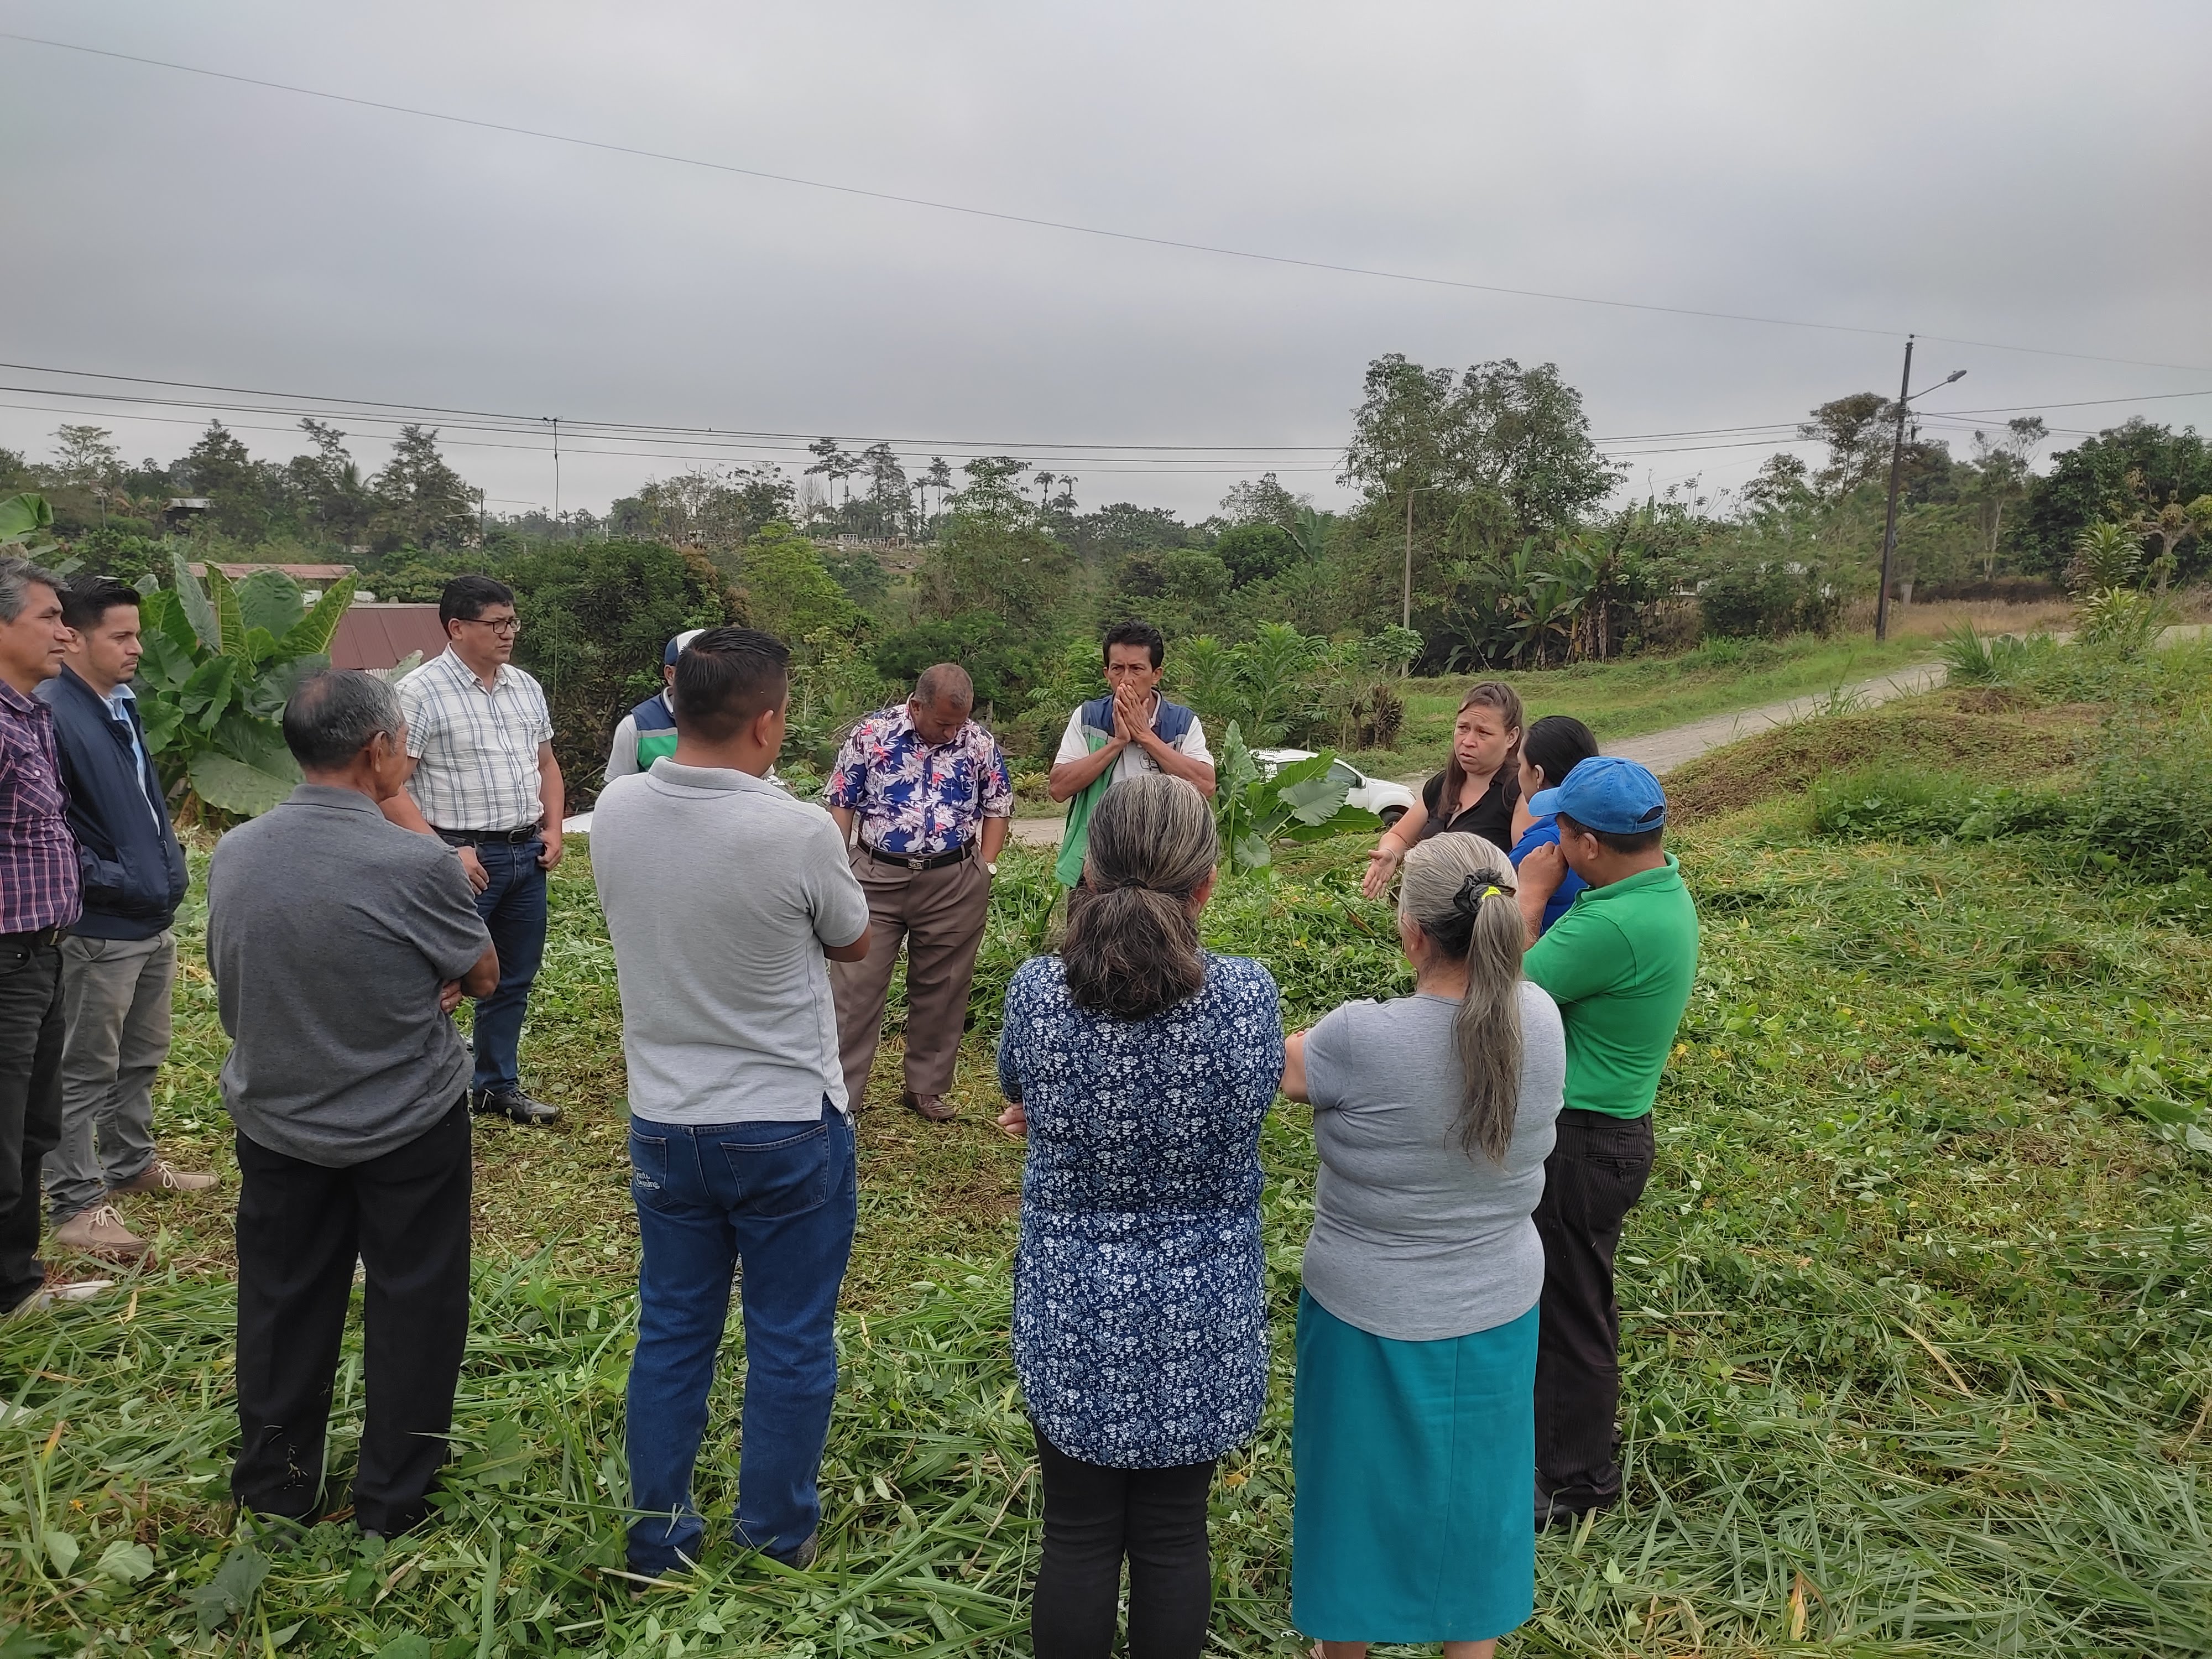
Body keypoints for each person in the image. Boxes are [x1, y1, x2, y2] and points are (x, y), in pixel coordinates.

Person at [592, 628, 873, 1576]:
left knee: (673, 1330)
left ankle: (657, 1539)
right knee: (789, 1338)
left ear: (673, 706)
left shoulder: (619, 809)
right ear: (767, 723)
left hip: (665, 1123)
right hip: (784, 1122)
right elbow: (852, 940)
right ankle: (775, 1536)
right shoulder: (797, 829)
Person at [206, 669, 499, 1535]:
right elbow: (484, 974)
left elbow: (239, 966)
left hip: (277, 1115)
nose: (407, 756)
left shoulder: (237, 851)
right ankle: (394, 1500)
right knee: (415, 1299)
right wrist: (432, 976)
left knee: (282, 1299)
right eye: (404, 742)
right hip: (405, 1120)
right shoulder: (416, 861)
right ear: (377, 751)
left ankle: (276, 1487)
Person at [996, 774, 1281, 1659]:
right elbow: (1255, 1096)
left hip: (1071, 1304)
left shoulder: (1037, 992)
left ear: (1087, 872)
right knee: (1173, 1536)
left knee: (1077, 1537)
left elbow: (1018, 1085)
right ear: (1207, 885)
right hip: (1204, 1310)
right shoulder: (1249, 996)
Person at [1280, 834, 1565, 1659]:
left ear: (1411, 933)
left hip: (1364, 1314)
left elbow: (1270, 1065)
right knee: (1479, 1504)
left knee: (1353, 1505)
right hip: (1498, 1308)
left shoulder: (1357, 1038)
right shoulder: (1543, 1021)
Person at [1512, 757, 1699, 1528]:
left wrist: (1527, 896)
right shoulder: (1661, 891)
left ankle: (1575, 1482)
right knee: (1577, 1301)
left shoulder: (1610, 925)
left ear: (1588, 844)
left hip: (1583, 1141)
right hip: (1612, 1132)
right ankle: (1562, 1452)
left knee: (1569, 1313)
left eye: (1560, 831)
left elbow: (1503, 989)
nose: (1552, 845)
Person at [38, 577, 211, 1263]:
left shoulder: (120, 704)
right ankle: (76, 1202)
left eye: (138, 634)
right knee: (85, 1066)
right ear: (76, 639)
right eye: (121, 636)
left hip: (148, 916)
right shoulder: (54, 712)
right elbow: (49, 829)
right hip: (99, 926)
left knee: (140, 1055)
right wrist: (114, 879)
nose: (136, 648)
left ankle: (131, 1163)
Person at [383, 575, 564, 1126]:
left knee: (512, 977)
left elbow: (546, 765)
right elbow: (390, 787)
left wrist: (553, 828)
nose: (509, 633)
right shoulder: (420, 692)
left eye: (512, 621)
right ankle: (420, 1092)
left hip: (525, 854)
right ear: (457, 628)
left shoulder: (524, 687)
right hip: (461, 861)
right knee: (438, 979)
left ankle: (495, 1086)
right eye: (497, 623)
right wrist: (444, 852)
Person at [826, 663, 1013, 1122]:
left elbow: (998, 805)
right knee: (854, 987)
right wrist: (839, 864)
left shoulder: (978, 742)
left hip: (953, 880)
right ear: (916, 706)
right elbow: (842, 800)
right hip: (876, 878)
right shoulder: (871, 735)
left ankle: (926, 1088)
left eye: (959, 723)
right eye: (944, 722)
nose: (952, 732)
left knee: (944, 986)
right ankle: (841, 1096)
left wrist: (986, 867)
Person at [0, 557, 112, 1318]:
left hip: (40, 953)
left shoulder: (30, 715)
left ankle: (14, 1288)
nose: (66, 635)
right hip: (4, 960)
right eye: (49, 618)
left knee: (31, 1129)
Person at [1047, 622, 1215, 888]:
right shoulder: (1088, 717)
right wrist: (1118, 742)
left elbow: (1206, 785)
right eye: (1118, 669)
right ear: (1107, 673)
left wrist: (1146, 736)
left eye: (1137, 669)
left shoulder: (1182, 723)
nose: (1126, 679)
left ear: (1156, 674)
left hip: (1164, 863)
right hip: (1097, 862)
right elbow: (1059, 788)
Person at [1361, 682, 1524, 899]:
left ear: (1511, 737)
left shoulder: (1518, 793)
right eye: (1463, 728)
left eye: (1483, 732)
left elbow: (1525, 873)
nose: (1468, 741)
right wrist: (1390, 853)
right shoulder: (1443, 784)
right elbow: (1399, 835)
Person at [1506, 714, 1598, 942]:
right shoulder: (1604, 827)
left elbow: (1487, 910)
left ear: (1538, 775)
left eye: (1520, 765)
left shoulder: (1541, 845)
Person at [603, 628, 703, 784]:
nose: (707, 676)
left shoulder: (735, 717)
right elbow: (617, 790)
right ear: (670, 674)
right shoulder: (636, 726)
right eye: (695, 668)